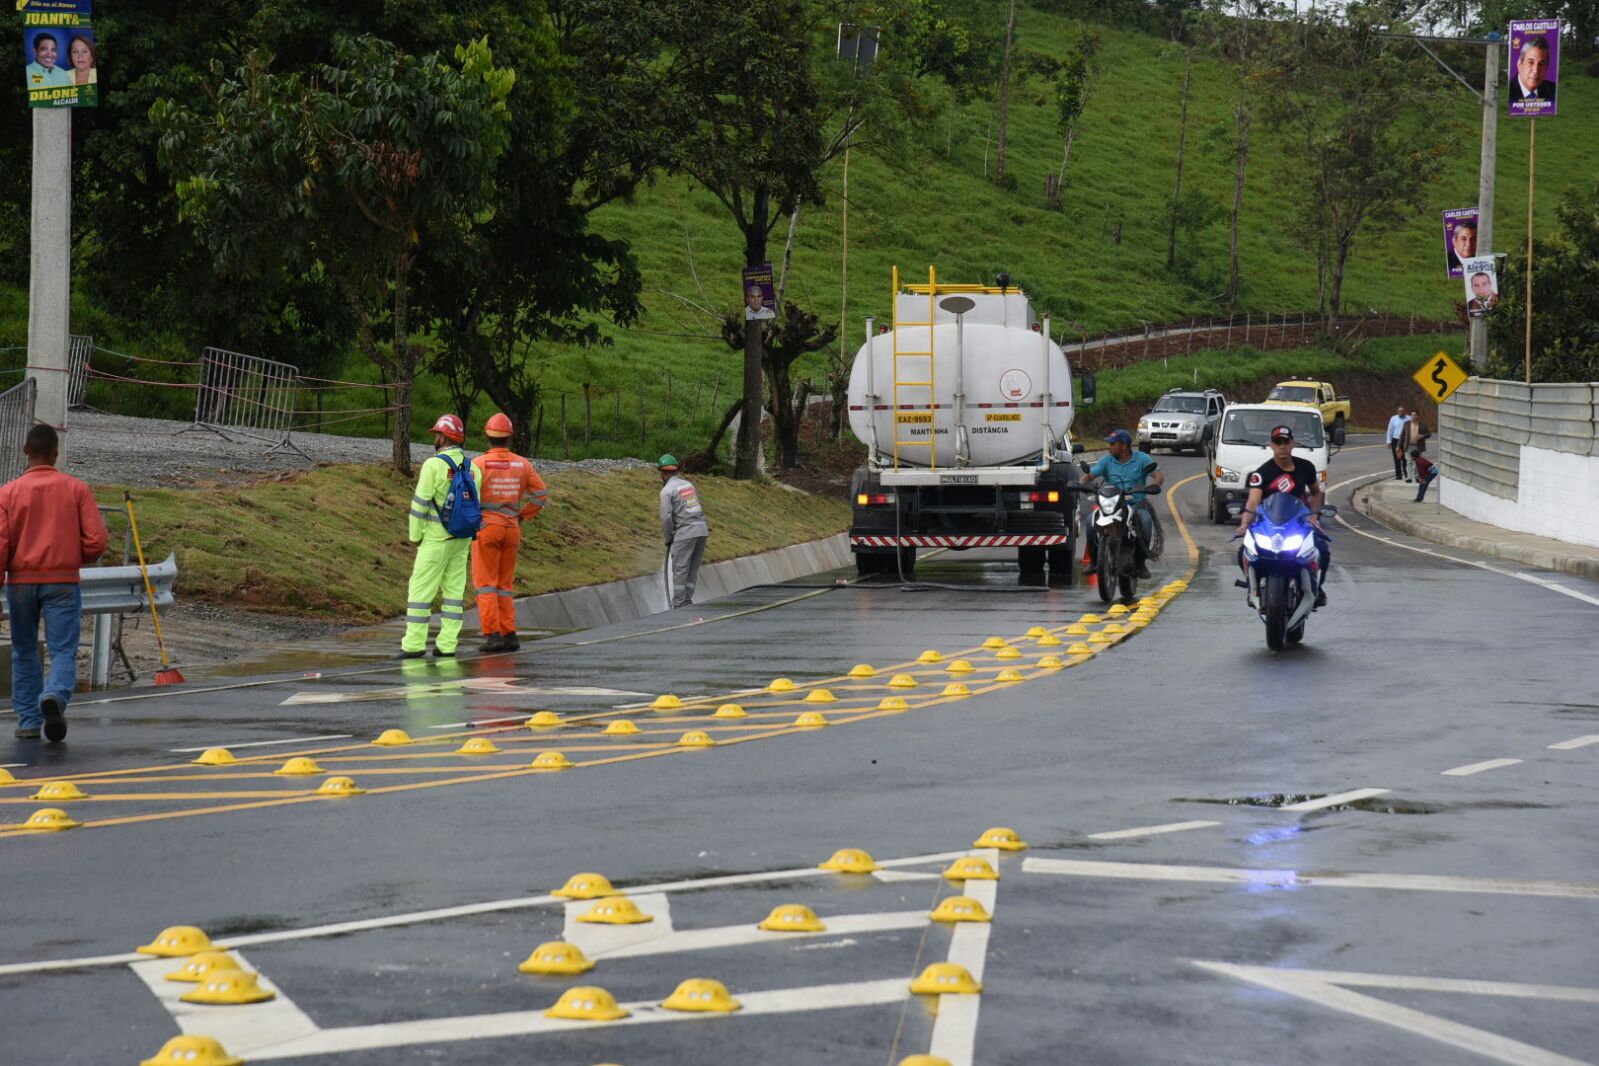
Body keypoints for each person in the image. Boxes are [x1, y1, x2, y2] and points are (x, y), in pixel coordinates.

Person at [0, 425, 109, 741]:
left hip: (20, 582)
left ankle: (29, 721)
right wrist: (74, 555)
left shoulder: (7, 493)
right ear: (56, 453)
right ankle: (55, 696)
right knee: (62, 650)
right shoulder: (76, 489)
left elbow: (1, 544)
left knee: (24, 649)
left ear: (25, 451)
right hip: (62, 580)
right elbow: (97, 541)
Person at [401, 414, 482, 658]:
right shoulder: (474, 467)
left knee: (420, 593)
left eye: (437, 434)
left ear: (444, 437)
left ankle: (414, 645)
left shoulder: (433, 465)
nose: (435, 438)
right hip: (462, 540)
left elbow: (420, 505)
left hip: (435, 540)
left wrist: (415, 536)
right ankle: (447, 645)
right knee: (454, 594)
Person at [471, 413, 547, 653]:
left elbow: (469, 497)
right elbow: (541, 494)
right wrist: (524, 515)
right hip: (512, 527)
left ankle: (492, 634)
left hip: (486, 527)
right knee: (504, 585)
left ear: (487, 436)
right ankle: (509, 633)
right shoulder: (522, 464)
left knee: (486, 584)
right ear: (509, 437)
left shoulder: (479, 464)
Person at [1236, 425, 1329, 607]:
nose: (1282, 447)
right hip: (1270, 524)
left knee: (1322, 550)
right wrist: (1245, 523)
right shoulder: (1262, 473)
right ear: (1271, 445)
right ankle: (1252, 587)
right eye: (1278, 443)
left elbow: (1317, 493)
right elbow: (1253, 501)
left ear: (1293, 444)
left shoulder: (1306, 467)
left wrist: (1313, 517)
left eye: (1286, 442)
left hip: (1299, 523)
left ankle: (1317, 589)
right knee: (1243, 552)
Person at [1086, 429, 1164, 580]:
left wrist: (1155, 484)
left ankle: (1141, 563)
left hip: (1136, 504)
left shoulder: (1142, 459)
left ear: (1124, 446)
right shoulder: (1106, 460)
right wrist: (1079, 484)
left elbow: (1158, 475)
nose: (1109, 447)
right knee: (1090, 522)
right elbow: (1089, 476)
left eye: (1112, 444)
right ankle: (1094, 562)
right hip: (1111, 504)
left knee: (1145, 522)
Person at [658, 455, 709, 608]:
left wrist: (668, 538)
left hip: (685, 532)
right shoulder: (688, 485)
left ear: (663, 473)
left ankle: (679, 605)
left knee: (680, 570)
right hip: (701, 530)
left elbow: (666, 518)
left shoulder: (667, 491)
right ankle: (687, 601)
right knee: (692, 569)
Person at [1508, 37, 1555, 106]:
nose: (1536, 70)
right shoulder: (1508, 90)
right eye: (1531, 62)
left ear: (1546, 67)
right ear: (1520, 65)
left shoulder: (1552, 90)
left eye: (1541, 64)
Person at [1385, 404, 1409, 480]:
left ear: (1404, 411)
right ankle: (1398, 475)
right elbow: (1390, 430)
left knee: (1405, 458)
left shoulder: (1409, 418)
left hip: (1405, 440)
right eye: (1399, 411)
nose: (1401, 412)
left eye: (1402, 411)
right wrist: (1388, 441)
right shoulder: (1393, 419)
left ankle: (1407, 474)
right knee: (1397, 458)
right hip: (1395, 440)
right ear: (1397, 411)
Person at [1403, 409, 1426, 481]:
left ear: (1418, 416)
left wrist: (1423, 436)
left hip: (1418, 446)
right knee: (1409, 461)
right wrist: (1398, 446)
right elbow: (1402, 435)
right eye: (1412, 415)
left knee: (1417, 462)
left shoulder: (1422, 424)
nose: (1413, 416)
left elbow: (1428, 434)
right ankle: (1409, 477)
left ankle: (1416, 477)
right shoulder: (1406, 424)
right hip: (1409, 445)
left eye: (1415, 415)